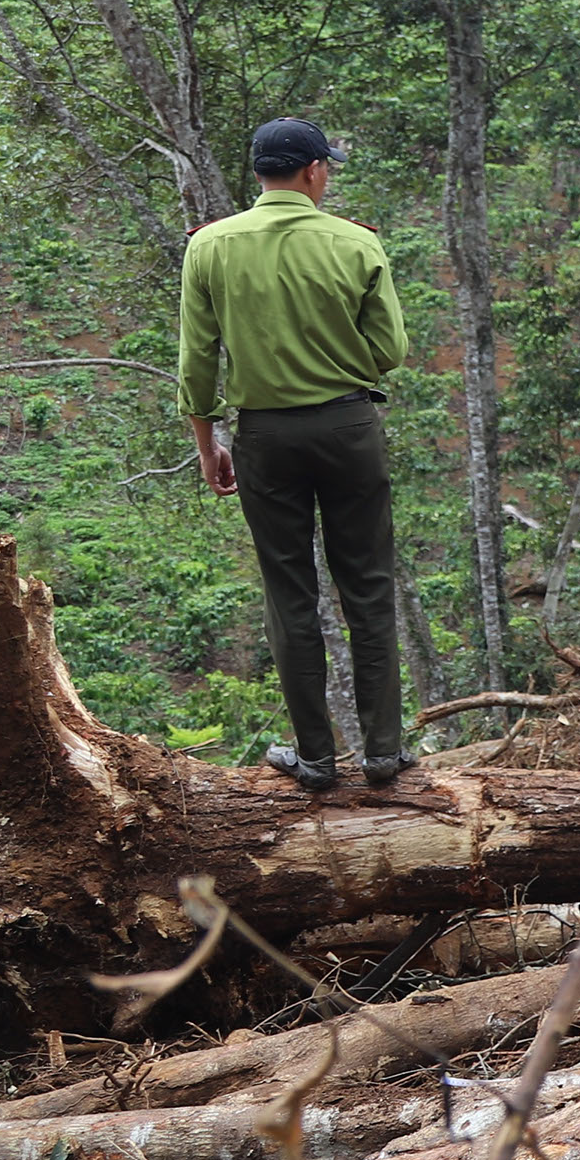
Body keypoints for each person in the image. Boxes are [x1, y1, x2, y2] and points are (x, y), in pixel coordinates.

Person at [178, 117, 412, 792]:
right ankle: (383, 753)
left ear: (259, 172)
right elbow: (390, 352)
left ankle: (314, 757)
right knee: (366, 586)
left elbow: (196, 364)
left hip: (265, 439)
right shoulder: (355, 243)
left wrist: (208, 445)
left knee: (290, 594)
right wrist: (338, 367)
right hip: (349, 429)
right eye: (327, 167)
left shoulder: (211, 247)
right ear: (313, 171)